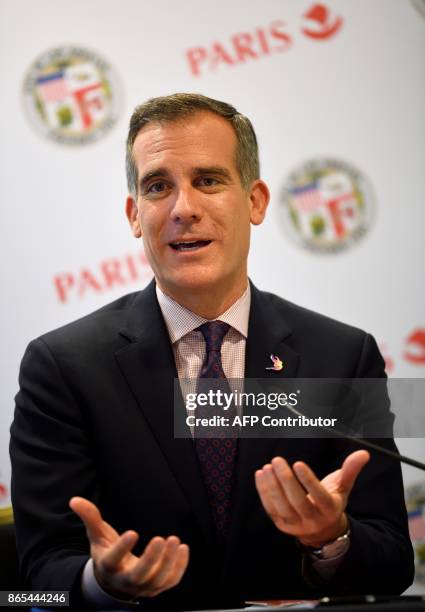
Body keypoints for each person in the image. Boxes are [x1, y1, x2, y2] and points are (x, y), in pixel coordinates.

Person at [10, 93, 414, 611]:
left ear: (256, 201)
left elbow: (395, 564)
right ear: (135, 215)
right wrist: (100, 582)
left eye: (208, 180)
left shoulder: (342, 357)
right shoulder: (62, 368)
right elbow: (34, 582)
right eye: (158, 187)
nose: (184, 209)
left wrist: (330, 538)